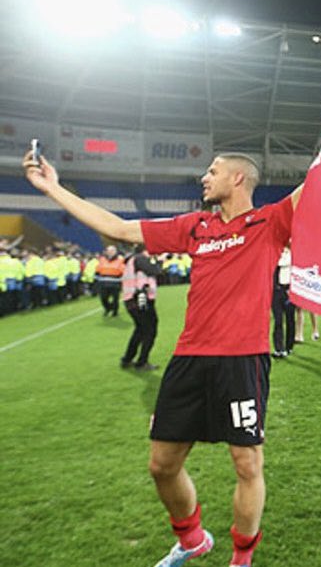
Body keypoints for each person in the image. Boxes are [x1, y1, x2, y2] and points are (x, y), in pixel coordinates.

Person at [24, 148, 301, 567]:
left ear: (239, 179)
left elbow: (318, 181)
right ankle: (192, 539)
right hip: (189, 358)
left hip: (242, 359)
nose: (204, 177)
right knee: (162, 465)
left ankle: (241, 559)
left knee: (247, 464)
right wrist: (52, 188)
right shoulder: (195, 227)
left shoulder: (271, 221)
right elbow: (118, 226)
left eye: (213, 171)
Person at [121, 245, 163, 371]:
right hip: (140, 299)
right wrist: (160, 260)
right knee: (150, 330)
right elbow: (155, 271)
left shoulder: (134, 260)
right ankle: (142, 362)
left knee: (140, 330)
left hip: (133, 298)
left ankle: (127, 359)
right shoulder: (140, 258)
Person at [271, 247, 296, 359]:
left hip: (289, 290)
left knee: (290, 320)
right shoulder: (274, 252)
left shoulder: (293, 254)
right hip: (276, 291)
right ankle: (278, 348)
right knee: (278, 320)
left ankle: (289, 346)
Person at [96, 245, 125, 316]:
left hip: (115, 282)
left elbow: (123, 271)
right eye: (109, 251)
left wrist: (122, 281)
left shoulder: (120, 260)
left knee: (115, 299)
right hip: (103, 282)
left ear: (115, 252)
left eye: (112, 251)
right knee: (103, 298)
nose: (110, 252)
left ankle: (115, 312)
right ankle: (108, 308)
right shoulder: (102, 259)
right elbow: (98, 269)